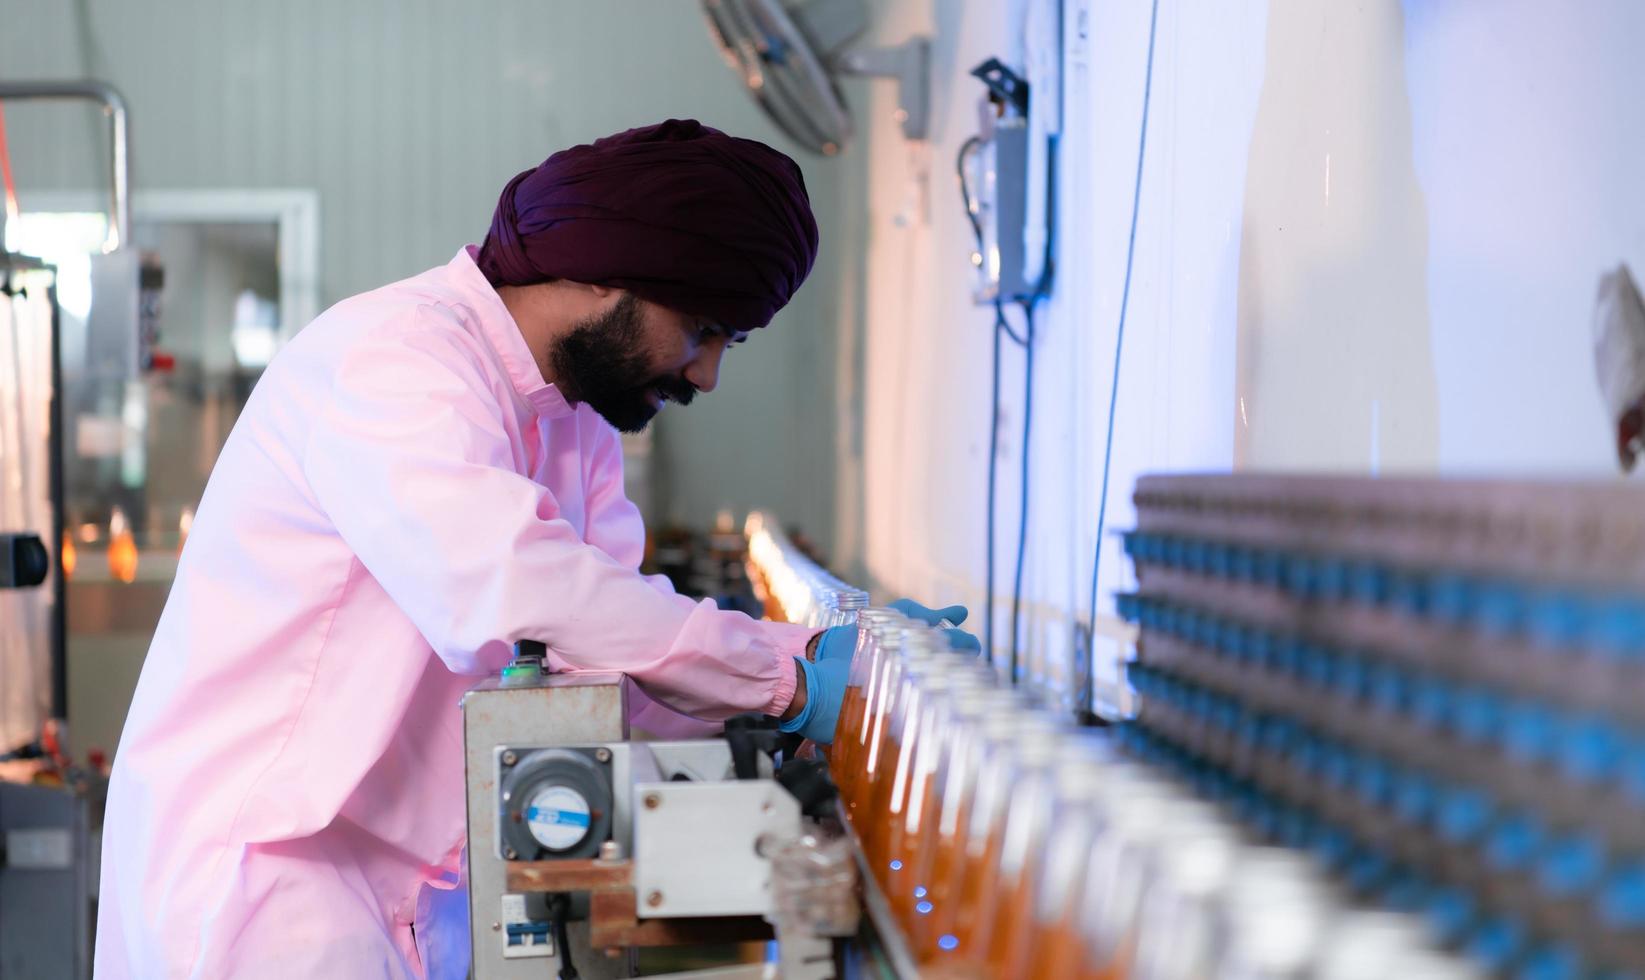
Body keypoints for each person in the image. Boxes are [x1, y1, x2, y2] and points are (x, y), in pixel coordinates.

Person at [92, 119, 974, 979]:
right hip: (266, 880)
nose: (705, 373)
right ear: (606, 274)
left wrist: (817, 663)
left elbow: (597, 662)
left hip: (400, 887)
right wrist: (785, 682)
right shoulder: (394, 359)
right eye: (703, 329)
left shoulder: (572, 422)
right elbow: (517, 594)